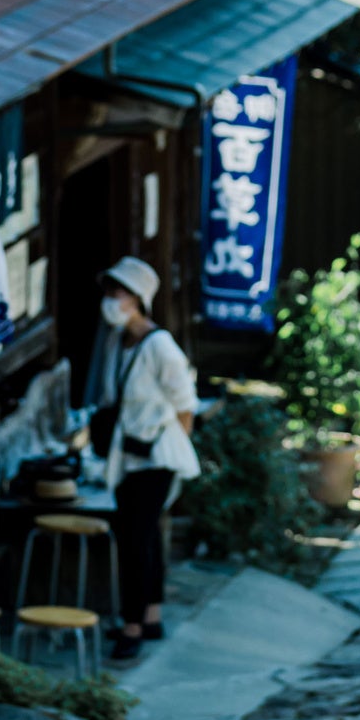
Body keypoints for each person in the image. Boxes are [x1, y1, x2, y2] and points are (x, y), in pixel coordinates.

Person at [92, 256, 200, 659]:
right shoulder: (118, 341)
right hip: (130, 453)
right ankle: (150, 617)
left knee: (134, 539)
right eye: (110, 291)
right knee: (146, 535)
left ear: (138, 298)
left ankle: (132, 625)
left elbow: (185, 405)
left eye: (118, 292)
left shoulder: (160, 346)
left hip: (157, 457)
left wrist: (174, 446)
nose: (111, 300)